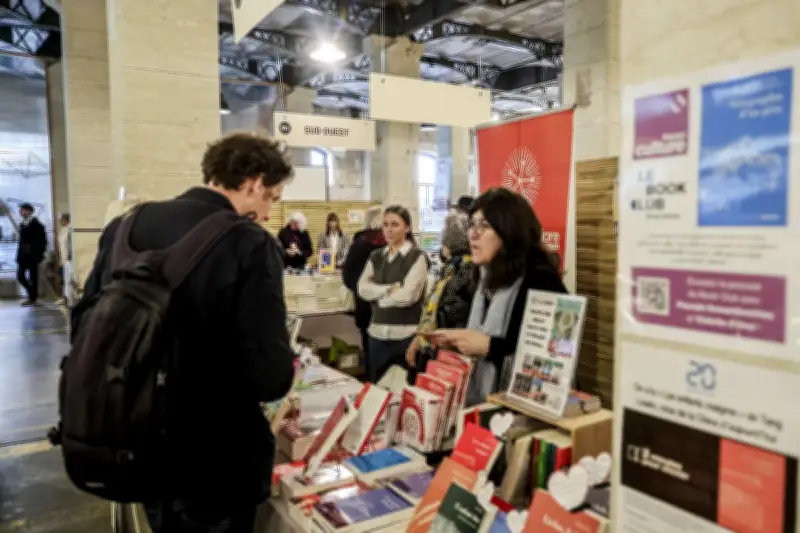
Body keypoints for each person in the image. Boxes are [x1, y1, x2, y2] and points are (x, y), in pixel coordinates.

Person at [71, 132, 296, 533]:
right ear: (254, 183)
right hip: (214, 460)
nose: (266, 215)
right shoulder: (248, 243)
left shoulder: (124, 227)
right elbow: (271, 376)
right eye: (271, 199)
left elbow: (82, 326)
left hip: (135, 441)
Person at [424, 188, 567, 405]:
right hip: (486, 407)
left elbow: (557, 356)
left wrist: (488, 346)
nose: (473, 234)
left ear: (510, 232)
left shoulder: (542, 280)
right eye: (472, 224)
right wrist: (457, 343)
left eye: (484, 226)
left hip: (529, 407)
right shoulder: (485, 278)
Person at [357, 205, 428, 382]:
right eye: (385, 224)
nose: (388, 230)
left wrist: (379, 299)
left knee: (405, 388)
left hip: (406, 336)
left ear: (407, 227)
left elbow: (408, 296)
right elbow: (362, 288)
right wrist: (389, 289)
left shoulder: (417, 256)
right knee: (377, 387)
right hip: (376, 334)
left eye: (395, 225)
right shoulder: (376, 256)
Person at [406, 212, 476, 378]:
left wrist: (424, 336)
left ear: (449, 244)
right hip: (445, 345)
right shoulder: (458, 268)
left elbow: (447, 310)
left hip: (447, 350)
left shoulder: (458, 271)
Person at [342, 206, 385, 374]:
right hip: (391, 308)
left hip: (365, 306)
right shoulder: (392, 242)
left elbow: (348, 276)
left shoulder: (359, 243)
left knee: (370, 352)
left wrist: (361, 290)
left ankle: (371, 382)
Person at [16, 202, 47, 306]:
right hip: (23, 255)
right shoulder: (22, 224)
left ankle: (32, 298)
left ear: (29, 211)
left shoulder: (37, 225)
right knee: (20, 276)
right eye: (21, 210)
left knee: (33, 278)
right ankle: (32, 293)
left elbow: (43, 242)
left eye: (23, 210)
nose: (21, 212)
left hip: (33, 255)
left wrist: (40, 254)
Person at [55, 212, 76, 307]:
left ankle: (73, 300)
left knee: (72, 279)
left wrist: (69, 256)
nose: (60, 221)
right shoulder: (63, 230)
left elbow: (71, 245)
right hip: (65, 259)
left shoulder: (71, 229)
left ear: (65, 219)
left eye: (61, 219)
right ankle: (69, 300)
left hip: (70, 259)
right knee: (66, 280)